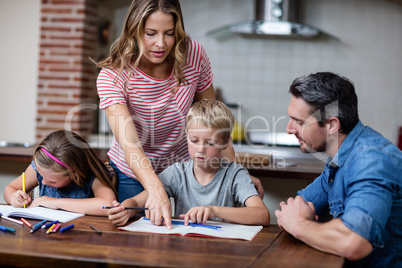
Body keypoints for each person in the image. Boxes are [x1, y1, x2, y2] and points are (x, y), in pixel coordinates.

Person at [96, 0, 263, 228]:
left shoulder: (193, 54)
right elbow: (130, 144)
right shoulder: (114, 75)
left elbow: (214, 122)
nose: (160, 44)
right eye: (151, 33)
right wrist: (155, 189)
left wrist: (233, 174)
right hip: (133, 176)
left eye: (170, 33)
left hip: (187, 175)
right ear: (134, 31)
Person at [275, 72, 402, 267]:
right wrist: (298, 221)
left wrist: (300, 225)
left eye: (299, 122)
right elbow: (292, 210)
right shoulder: (339, 159)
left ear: (332, 125)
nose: (289, 129)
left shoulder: (371, 160)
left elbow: (354, 242)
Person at [106, 99, 270, 227]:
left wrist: (213, 210)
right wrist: (126, 210)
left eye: (210, 143)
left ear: (226, 143)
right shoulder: (177, 173)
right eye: (194, 140)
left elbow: (262, 215)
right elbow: (136, 202)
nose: (200, 149)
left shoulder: (235, 175)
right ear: (186, 135)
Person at [3, 130, 117, 216]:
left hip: (82, 236)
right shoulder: (38, 170)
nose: (43, 181)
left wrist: (57, 203)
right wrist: (13, 198)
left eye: (52, 181)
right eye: (42, 176)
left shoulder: (92, 177)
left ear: (75, 173)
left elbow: (108, 205)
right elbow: (10, 188)